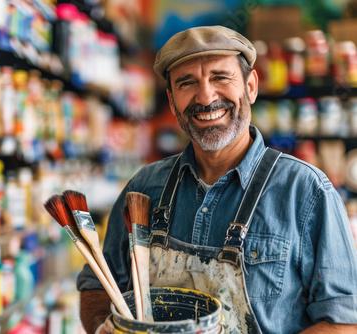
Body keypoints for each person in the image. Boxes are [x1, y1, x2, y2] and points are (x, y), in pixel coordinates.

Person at [76, 25, 357, 334]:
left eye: (220, 77)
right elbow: (97, 284)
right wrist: (102, 326)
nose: (206, 97)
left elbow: (342, 322)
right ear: (171, 102)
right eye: (187, 83)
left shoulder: (306, 192)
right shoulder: (144, 188)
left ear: (250, 86)